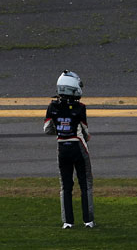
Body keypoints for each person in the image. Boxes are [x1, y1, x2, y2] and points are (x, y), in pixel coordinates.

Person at [43, 70, 95, 229]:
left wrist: (60, 131)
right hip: (78, 146)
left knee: (65, 186)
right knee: (85, 183)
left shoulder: (52, 106)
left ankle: (67, 222)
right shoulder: (80, 107)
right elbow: (85, 131)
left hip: (62, 147)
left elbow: (47, 129)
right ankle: (88, 221)